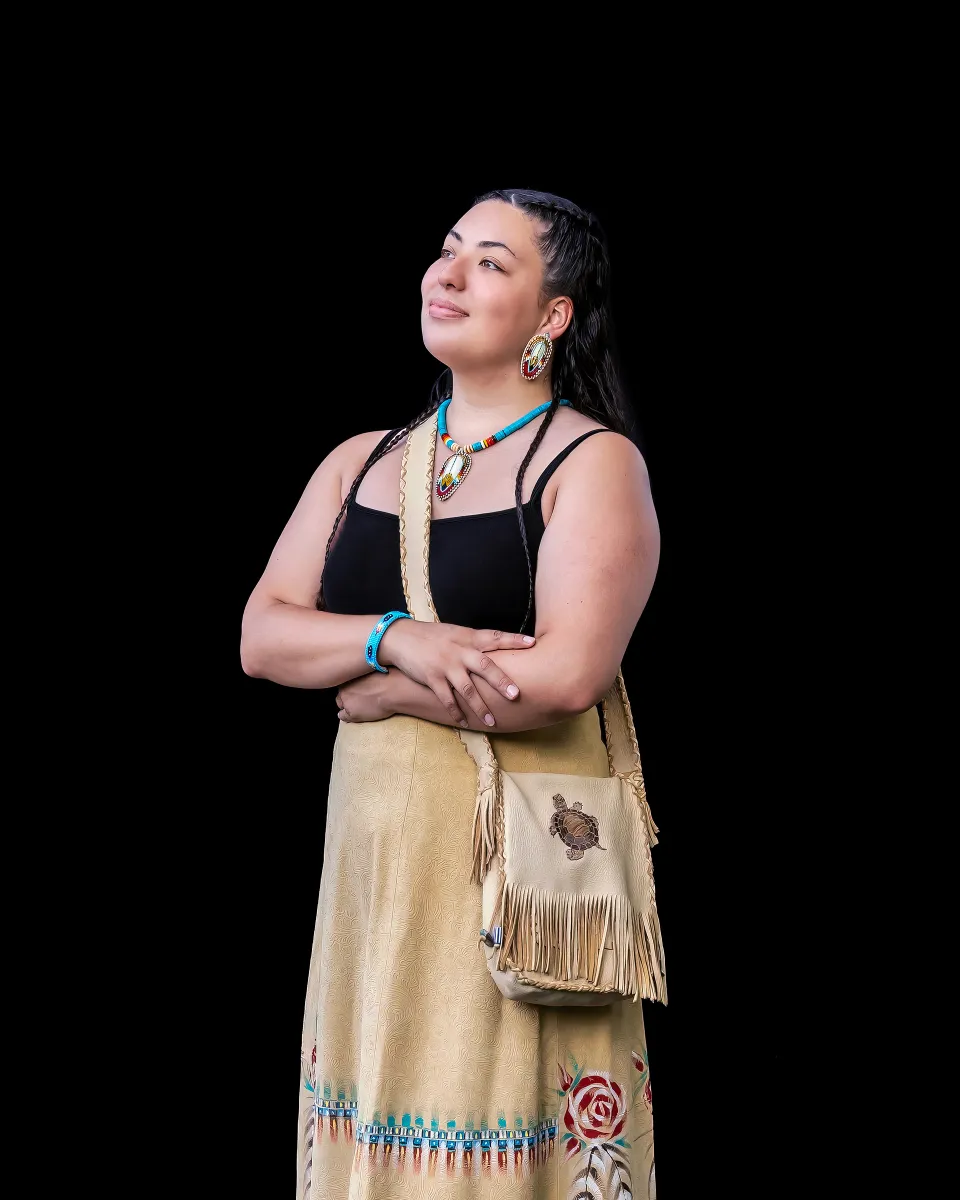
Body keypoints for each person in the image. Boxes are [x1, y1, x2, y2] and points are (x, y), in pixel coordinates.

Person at [241, 188, 662, 1199]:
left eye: (490, 262)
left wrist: (385, 689)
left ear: (551, 316)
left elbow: (565, 676)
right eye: (446, 252)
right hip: (376, 866)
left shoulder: (590, 463)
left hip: (515, 873)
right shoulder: (362, 461)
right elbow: (263, 636)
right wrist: (399, 639)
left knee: (508, 1136)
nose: (449, 273)